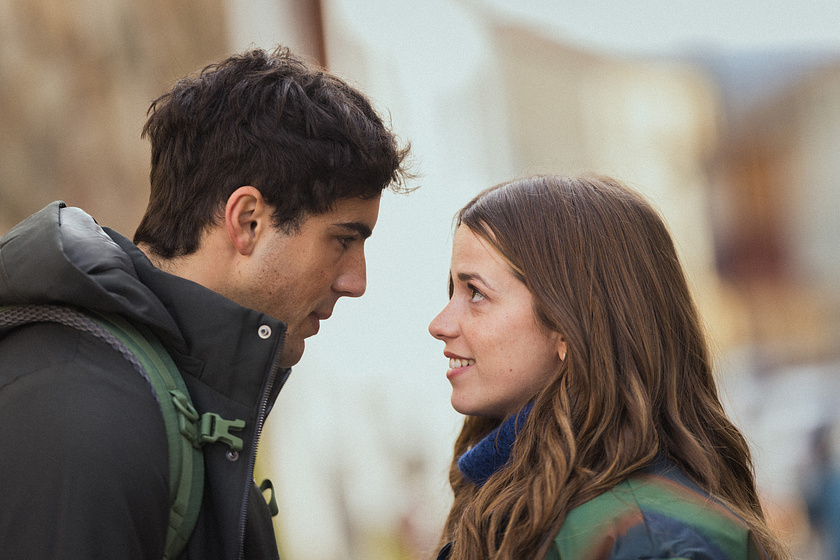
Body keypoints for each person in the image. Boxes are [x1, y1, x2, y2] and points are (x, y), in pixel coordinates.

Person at [0, 46, 410, 560]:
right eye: (344, 239)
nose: (357, 282)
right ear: (247, 222)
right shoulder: (80, 416)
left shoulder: (170, 400)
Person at [428, 175, 788, 560]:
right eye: (452, 291)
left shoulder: (652, 541)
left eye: (476, 293)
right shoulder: (520, 503)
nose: (440, 325)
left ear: (568, 326)